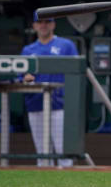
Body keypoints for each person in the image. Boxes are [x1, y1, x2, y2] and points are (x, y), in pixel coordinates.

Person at [21, 12, 78, 167]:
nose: (43, 25)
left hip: (60, 105)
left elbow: (76, 73)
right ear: (34, 26)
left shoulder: (66, 45)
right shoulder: (28, 50)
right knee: (42, 152)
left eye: (47, 21)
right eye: (40, 22)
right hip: (36, 104)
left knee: (63, 151)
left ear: (53, 24)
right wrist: (25, 78)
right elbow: (21, 76)